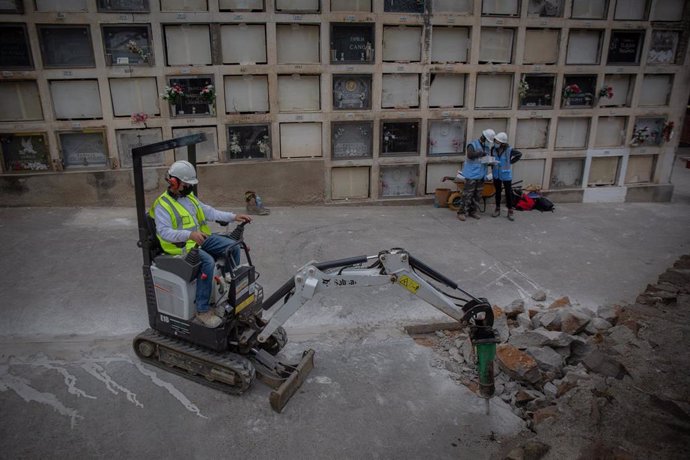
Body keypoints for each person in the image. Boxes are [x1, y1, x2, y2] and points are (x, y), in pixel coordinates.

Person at [150, 160, 252, 328]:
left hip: (199, 240)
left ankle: (227, 292)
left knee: (232, 246)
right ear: (174, 182)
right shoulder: (162, 205)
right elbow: (164, 232)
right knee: (207, 262)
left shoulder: (188, 197)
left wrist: (233, 217)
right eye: (187, 184)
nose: (190, 187)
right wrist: (189, 235)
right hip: (180, 247)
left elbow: (209, 212)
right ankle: (202, 310)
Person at [457, 129, 496, 221]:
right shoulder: (472, 144)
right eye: (488, 140)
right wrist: (480, 153)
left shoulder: (486, 147)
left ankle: (472, 211)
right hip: (471, 175)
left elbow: (483, 160)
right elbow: (470, 155)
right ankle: (462, 212)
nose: (488, 142)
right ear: (483, 137)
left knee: (477, 195)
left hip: (481, 175)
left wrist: (491, 162)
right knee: (467, 195)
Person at [491, 132, 522, 221]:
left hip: (506, 174)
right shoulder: (493, 149)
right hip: (496, 174)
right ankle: (497, 208)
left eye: (497, 141)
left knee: (508, 192)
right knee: (497, 192)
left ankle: (510, 210)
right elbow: (492, 158)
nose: (495, 143)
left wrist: (511, 162)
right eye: (495, 141)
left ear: (502, 143)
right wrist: (491, 164)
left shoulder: (509, 149)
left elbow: (519, 154)